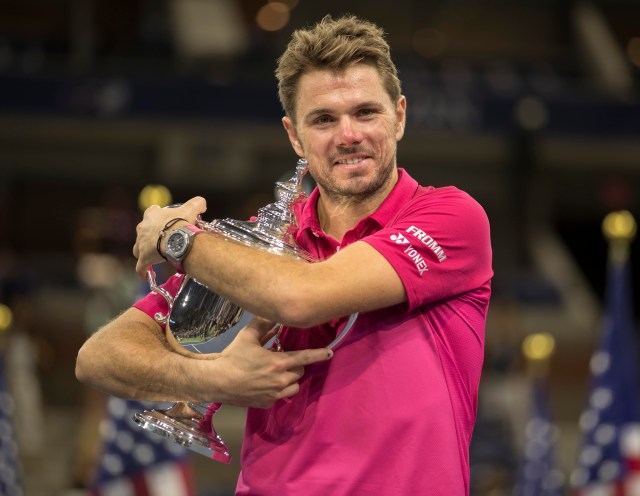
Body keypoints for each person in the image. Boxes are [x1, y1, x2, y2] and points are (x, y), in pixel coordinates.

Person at [76, 14, 493, 495]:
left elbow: (301, 297)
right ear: (294, 136)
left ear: (399, 116)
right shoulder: (258, 249)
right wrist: (214, 378)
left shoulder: (451, 217)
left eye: (366, 112)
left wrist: (178, 237)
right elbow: (98, 358)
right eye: (323, 119)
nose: (348, 134)